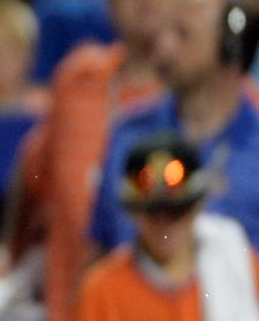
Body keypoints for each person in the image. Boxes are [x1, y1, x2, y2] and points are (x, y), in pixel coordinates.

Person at [0, 0, 201, 320]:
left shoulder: (205, 91)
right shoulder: (78, 78)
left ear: (189, 0)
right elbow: (33, 170)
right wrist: (8, 249)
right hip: (73, 306)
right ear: (108, 3)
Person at [90, 0, 259, 252]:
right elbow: (100, 246)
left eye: (183, 34)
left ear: (232, 51)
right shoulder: (128, 133)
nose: (164, 47)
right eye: (165, 32)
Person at [75, 131, 259, 321]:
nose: (165, 226)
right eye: (152, 213)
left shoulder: (238, 267)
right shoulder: (104, 289)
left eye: (176, 212)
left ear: (198, 206)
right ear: (132, 212)